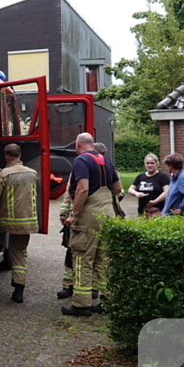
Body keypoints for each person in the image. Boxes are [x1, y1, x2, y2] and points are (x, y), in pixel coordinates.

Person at [63, 133, 122, 317]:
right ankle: (107, 301)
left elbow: (83, 188)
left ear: (78, 144)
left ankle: (81, 305)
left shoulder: (81, 160)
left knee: (82, 259)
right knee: (104, 259)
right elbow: (118, 188)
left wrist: (74, 214)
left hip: (89, 216)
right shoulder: (106, 161)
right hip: (108, 215)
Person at [0, 143, 39, 303]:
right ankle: (18, 291)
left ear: (6, 156)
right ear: (20, 155)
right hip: (26, 221)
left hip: (6, 220)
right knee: (19, 253)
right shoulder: (33, 173)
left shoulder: (3, 174)